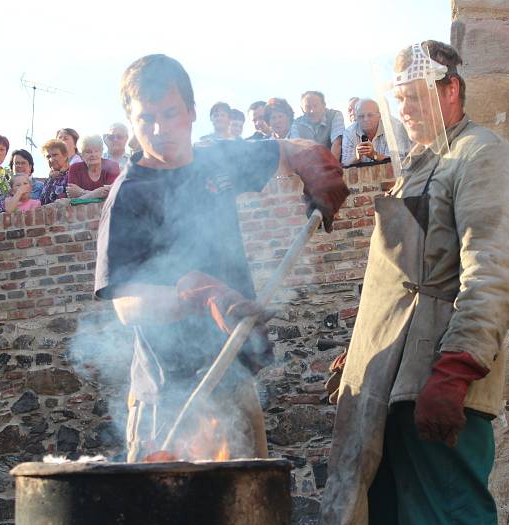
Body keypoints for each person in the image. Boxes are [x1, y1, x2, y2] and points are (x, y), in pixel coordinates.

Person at [311, 40, 509, 525]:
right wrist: (362, 348)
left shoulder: (482, 155)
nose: (404, 109)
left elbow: (493, 272)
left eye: (414, 96)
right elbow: (401, 282)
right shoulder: (420, 166)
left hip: (434, 383)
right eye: (397, 98)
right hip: (391, 386)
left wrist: (455, 370)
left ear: (450, 90)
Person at [94, 54, 348, 464]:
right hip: (168, 399)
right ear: (131, 119)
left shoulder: (216, 158)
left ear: (192, 112)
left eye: (170, 113)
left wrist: (313, 162)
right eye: (146, 119)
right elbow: (125, 305)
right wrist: (193, 295)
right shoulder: (128, 195)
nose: (159, 130)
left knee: (250, 520)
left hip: (234, 382)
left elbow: (285, 148)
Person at [341, 98, 408, 166]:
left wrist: (374, 155)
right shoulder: (349, 133)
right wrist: (357, 158)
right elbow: (344, 165)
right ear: (356, 118)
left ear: (379, 115)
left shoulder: (392, 128)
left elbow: (400, 161)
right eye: (361, 116)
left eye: (370, 115)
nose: (366, 119)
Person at [290, 91, 345, 161]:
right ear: (302, 109)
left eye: (315, 105)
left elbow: (337, 143)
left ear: (324, 105)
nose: (312, 111)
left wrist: (331, 168)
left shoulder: (335, 115)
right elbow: (296, 148)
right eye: (308, 107)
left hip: (333, 163)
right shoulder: (296, 124)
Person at [67, 135, 120, 200]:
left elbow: (112, 195)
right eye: (88, 152)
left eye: (96, 151)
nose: (93, 155)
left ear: (101, 152)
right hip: (81, 210)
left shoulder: (112, 166)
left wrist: (81, 192)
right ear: (81, 154)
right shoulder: (75, 168)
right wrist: (97, 193)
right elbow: (72, 199)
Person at [38, 139, 70, 205]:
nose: (51, 159)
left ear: (65, 156)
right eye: (48, 156)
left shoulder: (72, 175)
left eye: (55, 155)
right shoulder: (48, 180)